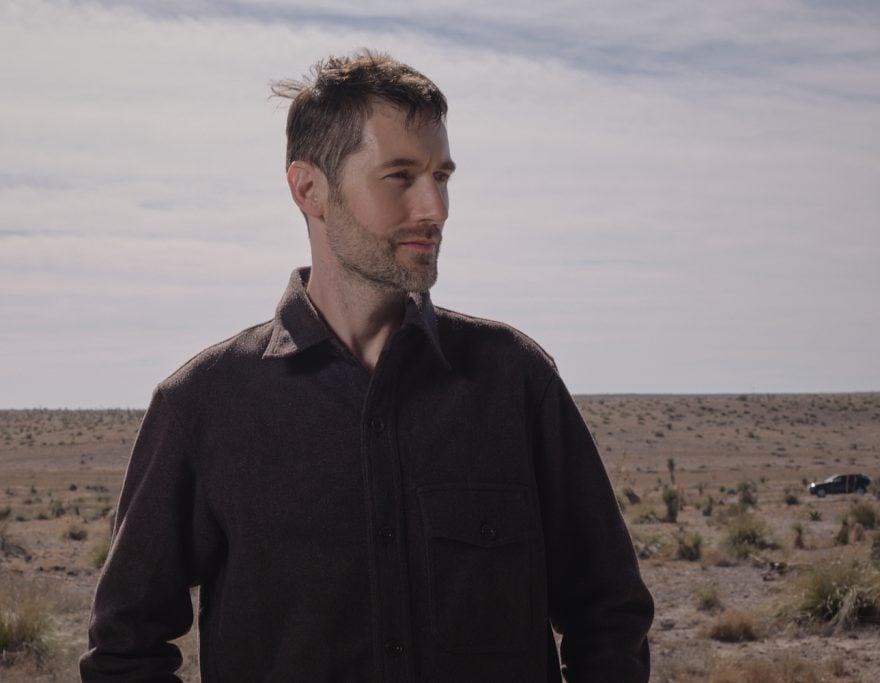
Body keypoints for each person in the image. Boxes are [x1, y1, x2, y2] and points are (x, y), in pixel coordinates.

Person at [80, 50, 653, 682]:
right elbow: (125, 649)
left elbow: (609, 616)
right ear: (309, 189)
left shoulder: (515, 380)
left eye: (443, 176)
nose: (434, 208)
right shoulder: (204, 405)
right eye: (401, 176)